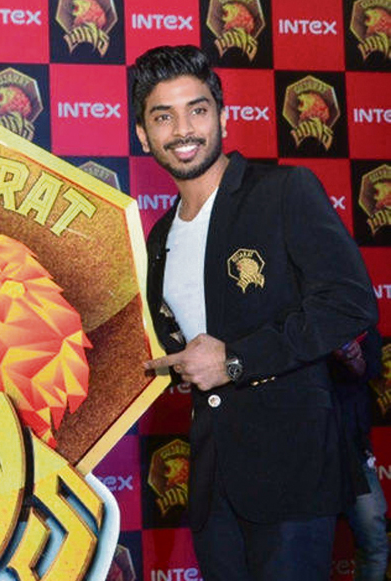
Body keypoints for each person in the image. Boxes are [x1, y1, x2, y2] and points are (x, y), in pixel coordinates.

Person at [134, 45, 378, 580]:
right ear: (143, 135)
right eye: (163, 116)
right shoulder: (159, 236)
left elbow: (350, 302)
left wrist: (235, 360)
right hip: (213, 481)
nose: (183, 129)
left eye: (198, 110)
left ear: (222, 118)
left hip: (291, 473)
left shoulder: (284, 191)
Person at [334, 328, 388, 581]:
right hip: (303, 451)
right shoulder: (295, 322)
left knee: (375, 541)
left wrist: (353, 357)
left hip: (352, 449)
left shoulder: (360, 324)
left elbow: (369, 369)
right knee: (300, 547)